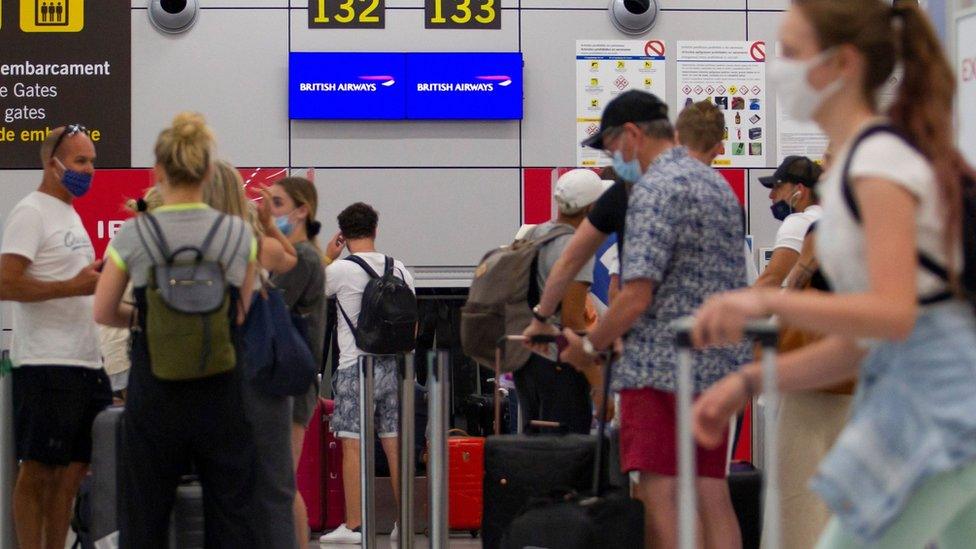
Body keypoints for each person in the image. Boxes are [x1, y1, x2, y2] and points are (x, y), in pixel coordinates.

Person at [690, 2, 976, 547]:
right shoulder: (858, 165)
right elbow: (860, 343)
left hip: (941, 415)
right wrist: (749, 380)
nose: (778, 68)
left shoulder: (877, 164)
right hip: (934, 409)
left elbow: (893, 314)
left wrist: (764, 304)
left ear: (842, 64)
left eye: (792, 52)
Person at [527, 90, 750, 549]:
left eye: (610, 148)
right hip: (719, 363)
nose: (612, 160)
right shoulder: (717, 186)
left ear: (631, 135)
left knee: (657, 492)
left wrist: (590, 348)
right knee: (712, 491)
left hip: (658, 367)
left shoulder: (650, 190)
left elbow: (635, 297)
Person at [94, 112, 259, 548]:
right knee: (231, 517)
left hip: (155, 393)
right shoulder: (239, 235)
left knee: (144, 517)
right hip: (222, 393)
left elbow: (103, 310)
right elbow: (242, 313)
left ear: (159, 171)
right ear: (208, 170)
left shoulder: (135, 234)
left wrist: (149, 316)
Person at [0, 125, 112, 549]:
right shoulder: (31, 211)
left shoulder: (70, 214)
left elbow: (71, 280)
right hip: (45, 363)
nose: (90, 170)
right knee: (39, 472)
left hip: (86, 362)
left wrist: (94, 279)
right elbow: (6, 283)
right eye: (81, 161)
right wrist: (73, 287)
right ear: (53, 163)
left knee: (71, 473)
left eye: (92, 161)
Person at [205, 160, 299, 549]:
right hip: (262, 372)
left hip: (212, 371)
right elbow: (289, 257)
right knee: (276, 487)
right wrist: (261, 220)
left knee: (224, 489)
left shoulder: (198, 240)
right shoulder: (254, 241)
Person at [320, 202, 415, 545]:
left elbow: (307, 288)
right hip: (394, 366)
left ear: (342, 235)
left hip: (354, 368)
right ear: (376, 229)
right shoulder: (399, 269)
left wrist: (327, 257)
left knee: (352, 445)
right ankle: (404, 522)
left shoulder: (340, 270)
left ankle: (355, 525)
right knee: (395, 445)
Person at [266, 176, 342, 549]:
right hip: (290, 380)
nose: (270, 211)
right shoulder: (299, 256)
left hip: (290, 382)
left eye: (277, 204)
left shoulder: (302, 259)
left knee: (280, 480)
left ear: (301, 210)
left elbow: (265, 307)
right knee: (279, 480)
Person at [515, 169, 609, 434]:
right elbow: (571, 320)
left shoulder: (534, 234)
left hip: (526, 360)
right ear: (592, 207)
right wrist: (597, 384)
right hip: (559, 362)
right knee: (565, 454)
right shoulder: (578, 245)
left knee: (536, 448)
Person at [754, 156, 824, 288]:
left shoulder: (800, 221)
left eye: (777, 187)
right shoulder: (831, 219)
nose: (771, 195)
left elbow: (770, 280)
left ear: (799, 190)